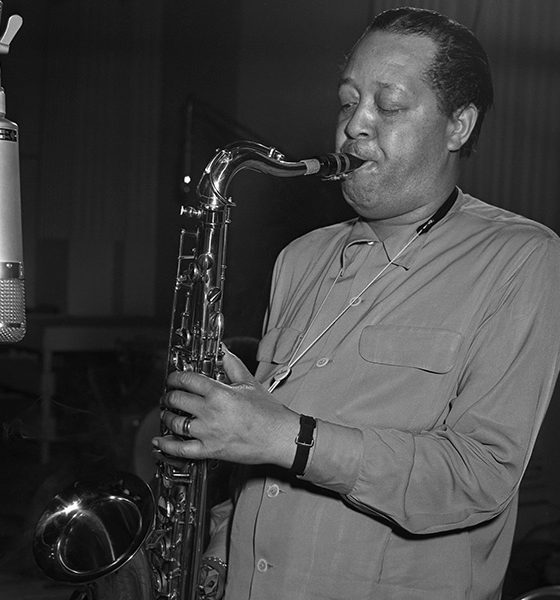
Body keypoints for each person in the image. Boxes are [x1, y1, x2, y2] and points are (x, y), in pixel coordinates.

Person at [153, 7, 560, 600]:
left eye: (388, 106)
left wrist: (289, 438)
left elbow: (481, 476)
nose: (355, 126)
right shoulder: (300, 256)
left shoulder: (523, 256)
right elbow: (259, 458)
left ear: (458, 126)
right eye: (347, 102)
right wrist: (220, 541)